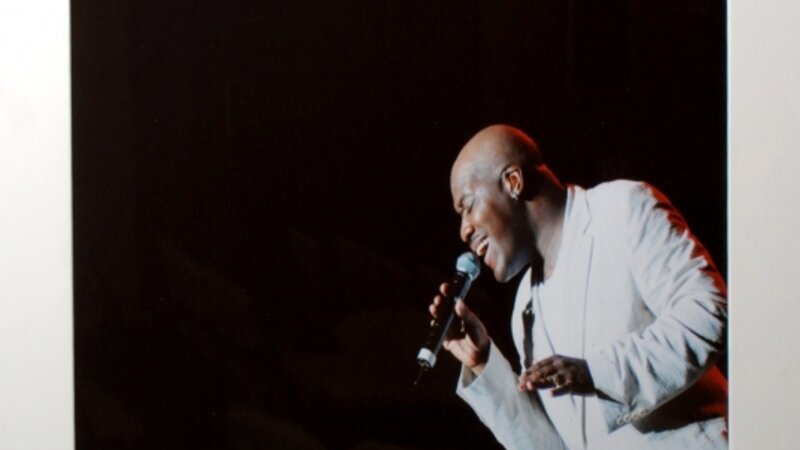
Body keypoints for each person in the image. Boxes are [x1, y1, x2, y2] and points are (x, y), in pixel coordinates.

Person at [429, 125, 728, 449]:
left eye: (468, 205)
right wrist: (482, 362)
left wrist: (595, 373)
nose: (464, 230)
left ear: (513, 182)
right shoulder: (525, 306)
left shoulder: (622, 209)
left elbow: (708, 310)